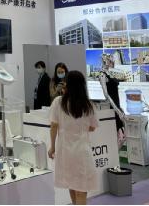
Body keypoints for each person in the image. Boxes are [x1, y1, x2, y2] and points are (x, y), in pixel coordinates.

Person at [48, 71, 98, 205]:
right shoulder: (88, 105)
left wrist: (52, 147)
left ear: (67, 84)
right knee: (81, 188)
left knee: (71, 184)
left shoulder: (58, 102)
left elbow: (54, 126)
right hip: (82, 151)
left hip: (65, 151)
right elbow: (92, 127)